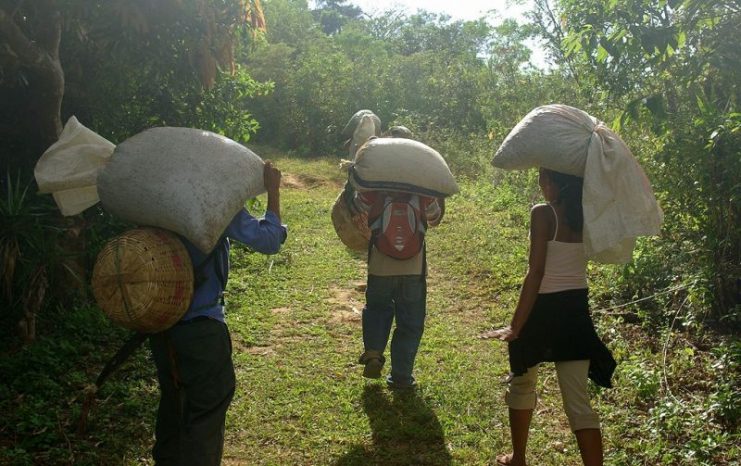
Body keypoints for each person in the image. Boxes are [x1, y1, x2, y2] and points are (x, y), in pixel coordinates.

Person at [148, 161, 287, 466]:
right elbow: (270, 240)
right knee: (208, 409)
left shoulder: (153, 206)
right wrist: (273, 191)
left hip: (160, 325)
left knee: (173, 402)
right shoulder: (214, 203)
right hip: (202, 327)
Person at [491, 168, 616, 466]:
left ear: (556, 183)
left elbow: (536, 273)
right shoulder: (587, 214)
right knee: (578, 402)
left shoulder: (543, 214)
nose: (541, 185)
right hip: (575, 311)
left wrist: (515, 325)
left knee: (522, 383)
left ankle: (518, 458)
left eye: (544, 179)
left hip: (542, 309)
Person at [352, 185, 444, 389]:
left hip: (379, 267)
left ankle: (374, 353)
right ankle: (401, 377)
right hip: (413, 268)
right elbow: (434, 216)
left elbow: (358, 205)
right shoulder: (423, 190)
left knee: (377, 309)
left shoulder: (375, 186)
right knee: (410, 324)